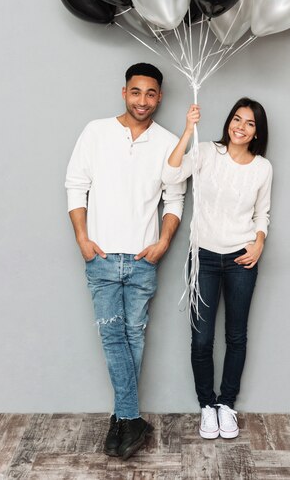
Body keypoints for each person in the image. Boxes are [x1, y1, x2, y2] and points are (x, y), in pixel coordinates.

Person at [65, 63, 185, 460]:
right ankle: (131, 418)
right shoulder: (96, 132)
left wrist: (164, 241)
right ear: (124, 92)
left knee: (134, 338)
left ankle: (123, 420)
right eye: (136, 92)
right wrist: (82, 237)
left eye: (151, 94)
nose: (143, 101)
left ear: (160, 98)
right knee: (113, 337)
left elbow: (175, 197)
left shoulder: (169, 141)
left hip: (142, 259)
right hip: (100, 256)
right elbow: (76, 185)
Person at [162, 97, 273, 440]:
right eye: (236, 119)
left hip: (242, 258)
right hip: (204, 258)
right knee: (201, 339)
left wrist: (259, 242)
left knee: (236, 336)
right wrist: (188, 130)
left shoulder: (262, 168)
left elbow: (262, 213)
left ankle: (227, 405)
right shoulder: (208, 152)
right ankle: (206, 406)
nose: (240, 127)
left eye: (249, 123)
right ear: (228, 122)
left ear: (257, 132)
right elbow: (170, 173)